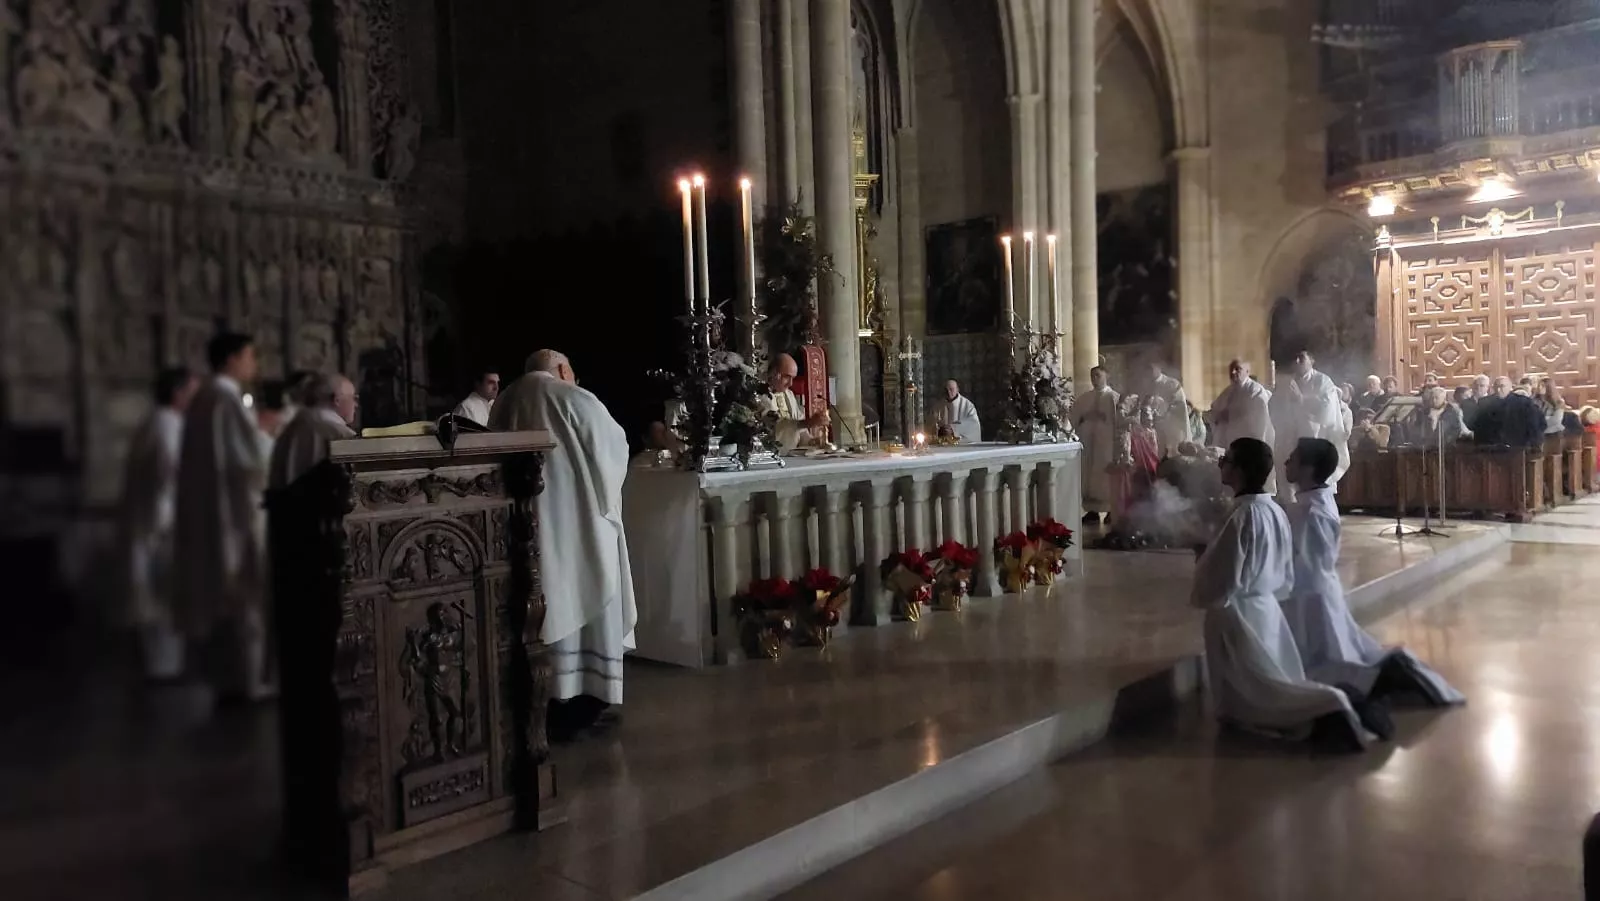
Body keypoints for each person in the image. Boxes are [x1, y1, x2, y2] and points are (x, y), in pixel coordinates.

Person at [1191, 437, 1379, 752]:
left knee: (1260, 696)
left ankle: (1331, 705)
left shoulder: (1241, 516)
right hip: (1266, 609)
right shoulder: (1274, 510)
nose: (1220, 465)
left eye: (1227, 461)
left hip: (1238, 615)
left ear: (1239, 470)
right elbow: (1282, 567)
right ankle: (1330, 703)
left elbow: (1220, 581)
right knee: (1274, 681)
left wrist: (1202, 554)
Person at [489, 349, 637, 741]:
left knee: (538, 610)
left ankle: (546, 702)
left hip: (525, 527)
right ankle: (585, 699)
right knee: (585, 602)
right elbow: (615, 447)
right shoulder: (573, 397)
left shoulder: (503, 402)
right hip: (579, 525)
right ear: (562, 370)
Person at [1283, 438, 1465, 707]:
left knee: (1330, 664)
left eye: (1293, 459)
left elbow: (1306, 562)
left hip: (1310, 595)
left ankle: (1390, 679)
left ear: (1308, 469)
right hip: (1316, 590)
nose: (1286, 462)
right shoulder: (1312, 503)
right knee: (1340, 655)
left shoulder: (1313, 512)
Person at [174, 332, 272, 703]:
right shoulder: (225, 397)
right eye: (250, 356)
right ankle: (249, 681)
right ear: (231, 359)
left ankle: (229, 680)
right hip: (234, 514)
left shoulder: (205, 396)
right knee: (244, 594)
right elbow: (248, 463)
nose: (254, 364)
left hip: (213, 513)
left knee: (225, 597)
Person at [118, 366, 200, 680]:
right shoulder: (167, 424)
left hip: (156, 523)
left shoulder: (156, 421)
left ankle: (164, 664)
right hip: (162, 526)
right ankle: (164, 668)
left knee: (161, 598)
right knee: (164, 598)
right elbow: (173, 473)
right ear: (178, 393)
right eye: (193, 391)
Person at [1270, 350, 1349, 501]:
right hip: (1290, 440)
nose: (1297, 361)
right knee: (1290, 489)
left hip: (1314, 441)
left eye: (1301, 358)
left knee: (1313, 486)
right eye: (1295, 358)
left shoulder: (1323, 381)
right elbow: (1273, 406)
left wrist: (1302, 399)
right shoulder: (1287, 383)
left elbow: (1327, 409)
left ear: (1312, 360)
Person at [269, 373, 358, 489]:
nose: (355, 404)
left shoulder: (289, 429)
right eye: (353, 398)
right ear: (337, 400)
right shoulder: (342, 435)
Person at [1209, 360, 1275, 492]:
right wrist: (1216, 416)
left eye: (1237, 369)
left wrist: (1231, 414)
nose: (1233, 373)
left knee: (1248, 479)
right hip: (1230, 443)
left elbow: (1257, 414)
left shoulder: (1255, 390)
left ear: (1247, 372)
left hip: (1248, 443)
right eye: (1231, 370)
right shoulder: (1229, 391)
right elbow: (1215, 410)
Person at [1074, 366, 1120, 524]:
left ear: (1107, 376)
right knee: (1088, 474)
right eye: (1092, 376)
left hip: (1106, 444)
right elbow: (1074, 418)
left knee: (1105, 476)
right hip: (1087, 441)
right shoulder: (1084, 398)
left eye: (1098, 375)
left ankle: (1111, 510)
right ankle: (1092, 510)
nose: (1094, 379)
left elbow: (1118, 422)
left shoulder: (1114, 398)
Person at [763, 353, 828, 450]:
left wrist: (812, 441)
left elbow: (800, 430)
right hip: (771, 455)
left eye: (793, 378)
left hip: (792, 455)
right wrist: (806, 423)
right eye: (787, 377)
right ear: (774, 374)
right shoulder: (761, 395)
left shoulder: (789, 395)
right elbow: (775, 426)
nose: (790, 383)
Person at [1140, 360, 1190, 457]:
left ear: (1159, 367)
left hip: (1171, 429)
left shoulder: (1172, 384)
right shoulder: (1145, 386)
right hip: (1154, 430)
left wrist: (1162, 405)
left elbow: (1180, 407)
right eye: (1147, 369)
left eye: (1151, 368)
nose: (1149, 371)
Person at [931, 379, 981, 444]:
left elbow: (974, 425)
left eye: (951, 389)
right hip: (943, 444)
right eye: (946, 390)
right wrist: (940, 430)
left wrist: (954, 429)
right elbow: (931, 425)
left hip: (962, 445)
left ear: (957, 389)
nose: (949, 392)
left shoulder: (967, 405)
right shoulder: (938, 406)